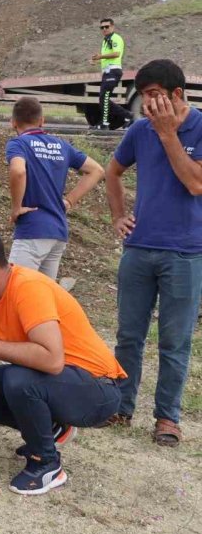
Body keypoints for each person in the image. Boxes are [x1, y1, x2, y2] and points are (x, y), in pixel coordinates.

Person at [0, 225, 126, 495]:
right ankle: (50, 426)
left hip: (98, 388)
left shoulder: (28, 287)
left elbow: (51, 360)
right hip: (56, 382)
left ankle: (46, 464)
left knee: (19, 379)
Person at [104, 59, 202, 447]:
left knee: (174, 341)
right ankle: (120, 407)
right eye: (143, 96)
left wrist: (168, 136)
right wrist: (117, 216)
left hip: (185, 253)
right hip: (139, 249)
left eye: (154, 96)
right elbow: (112, 171)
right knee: (129, 335)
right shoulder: (140, 130)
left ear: (177, 95)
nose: (146, 105)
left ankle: (167, 418)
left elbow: (195, 184)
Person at [6, 96, 105, 280]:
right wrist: (69, 201)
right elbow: (97, 170)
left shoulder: (18, 144)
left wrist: (16, 207)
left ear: (13, 122)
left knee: (14, 290)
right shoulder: (62, 145)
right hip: (57, 232)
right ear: (42, 121)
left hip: (32, 230)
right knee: (43, 296)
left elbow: (18, 170)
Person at [90, 18, 133, 130]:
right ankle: (127, 116)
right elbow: (107, 57)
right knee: (104, 98)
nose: (104, 29)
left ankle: (105, 123)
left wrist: (101, 56)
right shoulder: (105, 40)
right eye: (102, 27)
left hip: (113, 71)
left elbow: (116, 54)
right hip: (107, 72)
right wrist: (97, 60)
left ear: (112, 27)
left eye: (106, 26)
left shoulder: (116, 38)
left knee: (104, 97)